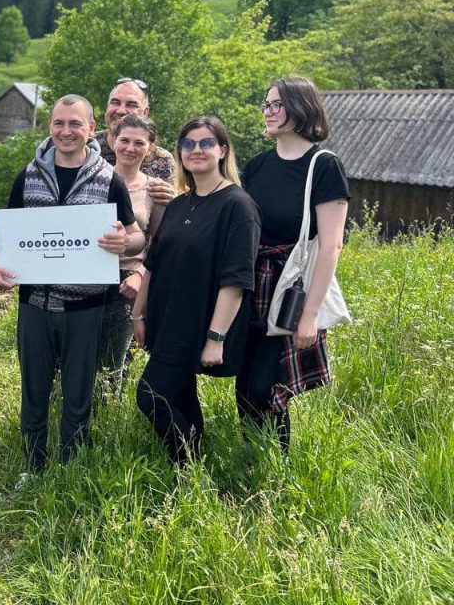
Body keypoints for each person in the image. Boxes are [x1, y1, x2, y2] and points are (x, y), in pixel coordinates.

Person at [0, 95, 146, 473]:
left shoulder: (109, 179)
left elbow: (137, 235)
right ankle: (33, 467)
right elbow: (8, 234)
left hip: (86, 307)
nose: (66, 131)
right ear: (50, 127)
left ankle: (71, 469)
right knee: (34, 391)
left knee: (78, 393)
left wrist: (125, 243)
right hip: (34, 304)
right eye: (59, 123)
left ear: (92, 129)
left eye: (75, 123)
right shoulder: (28, 176)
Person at [131, 116, 260, 466]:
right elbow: (152, 264)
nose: (196, 150)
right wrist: (138, 315)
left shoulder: (238, 206)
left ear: (223, 150)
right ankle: (192, 469)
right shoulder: (178, 204)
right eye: (188, 144)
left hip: (198, 323)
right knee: (181, 395)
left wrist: (216, 338)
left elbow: (236, 280)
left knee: (150, 395)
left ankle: (186, 463)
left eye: (206, 143)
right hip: (166, 319)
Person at [236, 77, 349, 454]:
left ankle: (276, 469)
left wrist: (310, 315)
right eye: (266, 104)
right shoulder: (256, 165)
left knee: (265, 388)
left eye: (276, 104)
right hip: (250, 283)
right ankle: (253, 461)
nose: (267, 112)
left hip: (290, 288)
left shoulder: (324, 166)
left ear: (301, 108)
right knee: (245, 385)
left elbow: (331, 245)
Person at [100, 114, 165, 394]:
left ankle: (106, 417)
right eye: (124, 140)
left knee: (112, 365)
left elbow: (159, 242)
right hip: (86, 277)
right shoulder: (93, 179)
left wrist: (140, 275)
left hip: (127, 283)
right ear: (113, 141)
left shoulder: (155, 190)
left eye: (139, 143)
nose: (130, 148)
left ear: (150, 148)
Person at [95, 78, 176, 200]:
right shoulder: (87, 147)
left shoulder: (162, 161)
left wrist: (174, 199)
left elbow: (176, 202)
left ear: (145, 112)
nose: (121, 110)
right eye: (115, 102)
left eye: (131, 104)